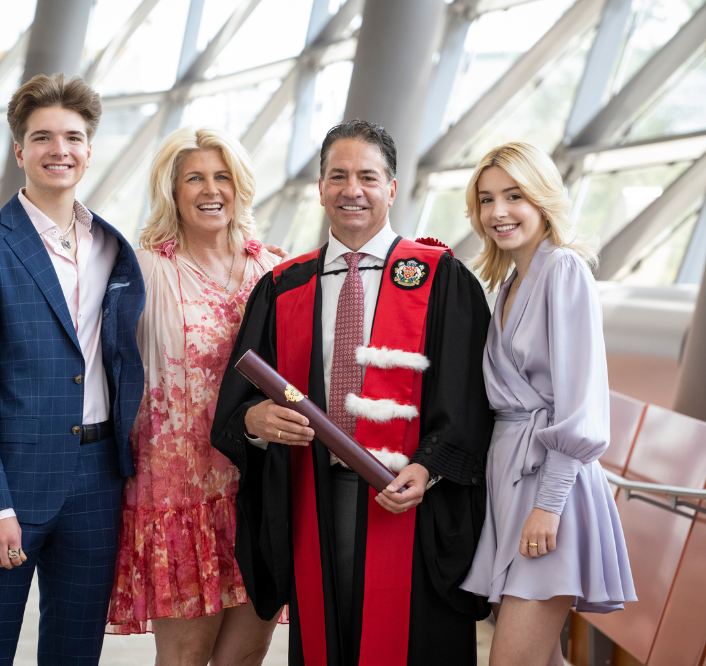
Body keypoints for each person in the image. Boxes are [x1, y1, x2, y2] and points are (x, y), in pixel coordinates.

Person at [211, 119, 494, 666]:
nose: (351, 190)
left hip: (412, 502)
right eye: (337, 176)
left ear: (392, 188)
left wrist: (431, 466)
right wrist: (257, 421)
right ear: (319, 189)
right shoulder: (283, 286)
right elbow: (235, 407)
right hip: (313, 497)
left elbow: (468, 398)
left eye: (368, 176)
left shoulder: (440, 277)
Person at [0, 73, 144, 664]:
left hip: (98, 481)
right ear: (19, 150)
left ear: (89, 148)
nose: (61, 150)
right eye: (44, 137)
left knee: (75, 653)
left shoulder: (113, 245)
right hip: (10, 483)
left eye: (74, 137)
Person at [104, 127, 281, 665]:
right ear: (172, 191)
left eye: (222, 176)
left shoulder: (274, 270)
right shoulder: (145, 271)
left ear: (240, 185)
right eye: (195, 178)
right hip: (177, 495)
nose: (211, 189)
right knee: (185, 659)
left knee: (244, 659)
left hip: (255, 490)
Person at [458, 142, 637, 666]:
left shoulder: (563, 270)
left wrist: (548, 504)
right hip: (512, 484)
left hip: (548, 490)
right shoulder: (509, 282)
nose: (498, 212)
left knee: (511, 660)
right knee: (542, 659)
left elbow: (580, 403)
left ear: (542, 199)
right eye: (487, 200)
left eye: (514, 195)